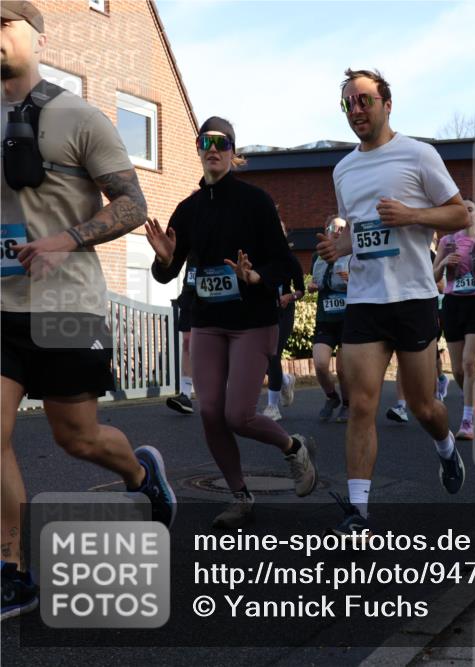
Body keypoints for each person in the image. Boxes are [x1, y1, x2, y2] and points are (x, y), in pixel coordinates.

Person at [1, 2, 174, 619]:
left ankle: (140, 476)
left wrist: (65, 238)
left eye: (2, 22)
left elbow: (132, 203)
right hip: (2, 307)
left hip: (67, 304)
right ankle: (14, 569)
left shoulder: (78, 116)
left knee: (75, 437)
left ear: (35, 33)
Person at [316, 69, 468, 538]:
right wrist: (341, 248)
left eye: (364, 100)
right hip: (364, 300)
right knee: (361, 404)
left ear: (386, 103)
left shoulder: (418, 154)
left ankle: (445, 447)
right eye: (348, 104)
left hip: (414, 298)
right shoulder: (343, 169)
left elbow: (460, 212)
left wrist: (413, 215)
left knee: (424, 407)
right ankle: (359, 514)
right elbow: (363, 231)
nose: (356, 110)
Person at [147, 116, 317, 530]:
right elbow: (167, 271)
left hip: (252, 320)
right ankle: (240, 494)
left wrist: (257, 277)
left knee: (238, 415)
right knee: (209, 411)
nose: (213, 148)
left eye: (222, 142)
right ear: (199, 148)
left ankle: (293, 446)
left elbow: (286, 263)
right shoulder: (187, 208)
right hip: (207, 320)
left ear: (233, 152)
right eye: (205, 140)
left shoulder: (255, 201)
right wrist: (166, 258)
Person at [433, 197, 475, 440]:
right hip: (452, 303)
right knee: (458, 369)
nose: (467, 213)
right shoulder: (447, 242)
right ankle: (472, 396)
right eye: (462, 210)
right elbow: (433, 275)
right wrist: (445, 262)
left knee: (470, 364)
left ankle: (467, 420)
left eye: (471, 209)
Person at [262, 220, 306, 421]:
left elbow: (300, 290)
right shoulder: (259, 257)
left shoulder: (290, 260)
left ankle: (272, 406)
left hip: (284, 311)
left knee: (273, 354)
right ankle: (286, 379)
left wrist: (290, 297)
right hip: (264, 311)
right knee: (263, 359)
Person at [310, 217, 348, 423]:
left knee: (343, 370)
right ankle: (332, 397)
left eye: (343, 228)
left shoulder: (353, 255)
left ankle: (348, 405)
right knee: (320, 364)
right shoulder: (317, 256)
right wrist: (312, 287)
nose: (338, 231)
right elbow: (313, 283)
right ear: (326, 229)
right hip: (325, 318)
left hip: (348, 319)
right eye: (334, 227)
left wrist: (352, 281)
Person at [166, 264, 195, 414]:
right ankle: (185, 395)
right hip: (190, 291)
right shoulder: (188, 242)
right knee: (187, 342)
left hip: (216, 289)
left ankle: (276, 381)